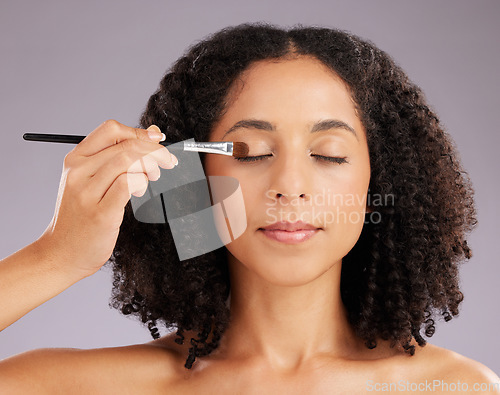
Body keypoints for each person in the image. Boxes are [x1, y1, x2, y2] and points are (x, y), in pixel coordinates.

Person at [0, 22, 498, 394]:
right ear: (192, 177)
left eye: (329, 155)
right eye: (252, 153)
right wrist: (56, 258)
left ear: (377, 179)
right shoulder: (68, 385)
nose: (290, 186)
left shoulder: (455, 388)